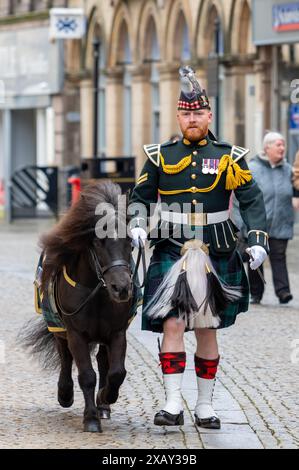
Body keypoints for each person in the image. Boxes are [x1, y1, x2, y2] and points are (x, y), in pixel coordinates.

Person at [128, 66, 268, 429]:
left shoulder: (229, 156)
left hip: (216, 250)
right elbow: (140, 197)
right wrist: (138, 224)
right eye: (186, 114)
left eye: (198, 113)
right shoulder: (160, 155)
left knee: (207, 328)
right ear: (178, 116)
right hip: (171, 248)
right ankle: (172, 403)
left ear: (209, 115)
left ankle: (205, 406)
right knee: (173, 325)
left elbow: (252, 201)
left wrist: (256, 241)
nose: (192, 119)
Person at [233, 132, 299, 305]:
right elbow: (240, 198)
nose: (282, 148)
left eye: (283, 145)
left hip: (280, 222)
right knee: (256, 258)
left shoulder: (288, 170)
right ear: (266, 147)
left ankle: (283, 291)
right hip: (256, 224)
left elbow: (295, 189)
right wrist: (239, 224)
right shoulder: (252, 168)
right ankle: (256, 293)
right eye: (278, 145)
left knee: (279, 256)